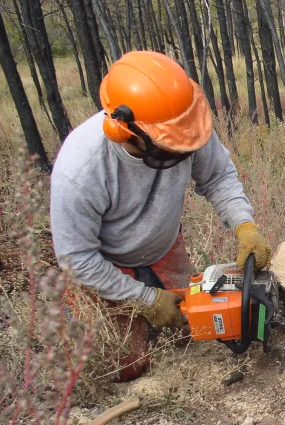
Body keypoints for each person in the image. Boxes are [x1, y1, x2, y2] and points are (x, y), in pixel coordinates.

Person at [50, 51, 271, 381]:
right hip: (104, 265)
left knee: (189, 332)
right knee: (122, 367)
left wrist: (244, 224)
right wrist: (144, 299)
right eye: (170, 146)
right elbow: (77, 258)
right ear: (123, 131)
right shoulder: (80, 171)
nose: (182, 151)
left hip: (162, 244)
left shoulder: (184, 124)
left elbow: (218, 175)